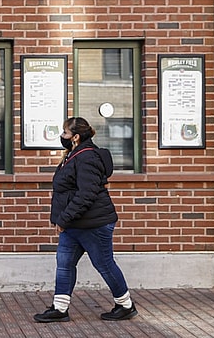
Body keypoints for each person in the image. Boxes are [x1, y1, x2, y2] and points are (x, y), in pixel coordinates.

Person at [34, 117, 138, 323]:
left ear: (76, 137)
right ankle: (60, 308)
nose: (62, 137)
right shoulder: (73, 154)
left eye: (64, 133)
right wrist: (64, 219)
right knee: (64, 263)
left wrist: (63, 219)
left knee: (104, 264)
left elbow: (86, 195)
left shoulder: (86, 157)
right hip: (75, 224)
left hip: (93, 224)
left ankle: (125, 305)